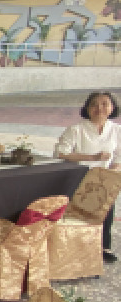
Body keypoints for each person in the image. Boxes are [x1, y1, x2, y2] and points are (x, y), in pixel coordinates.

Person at [55, 91, 121, 263]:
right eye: (94, 104)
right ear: (87, 108)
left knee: (106, 209)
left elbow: (119, 155)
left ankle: (104, 247)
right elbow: (60, 153)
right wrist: (93, 157)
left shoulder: (116, 130)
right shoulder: (76, 130)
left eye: (105, 104)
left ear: (112, 107)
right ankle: (77, 248)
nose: (99, 108)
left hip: (104, 177)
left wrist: (112, 171)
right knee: (79, 214)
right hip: (79, 177)